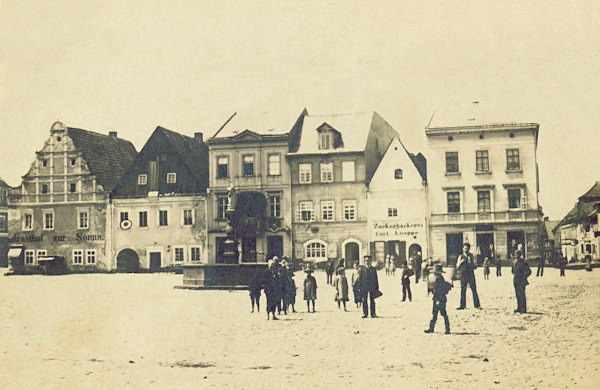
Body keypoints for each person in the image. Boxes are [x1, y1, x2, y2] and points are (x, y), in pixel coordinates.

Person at [424, 264, 452, 334]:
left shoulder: (439, 280)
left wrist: (438, 300)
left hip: (439, 299)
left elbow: (439, 291)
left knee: (442, 313)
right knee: (435, 314)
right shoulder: (439, 279)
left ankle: (446, 329)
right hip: (438, 298)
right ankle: (432, 328)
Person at [456, 243, 481, 310]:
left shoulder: (472, 256)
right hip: (463, 275)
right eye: (464, 248)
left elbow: (475, 266)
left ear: (469, 249)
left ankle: (477, 305)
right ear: (462, 249)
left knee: (474, 289)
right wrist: (461, 261)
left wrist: (471, 263)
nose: (465, 250)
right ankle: (462, 306)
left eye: (467, 248)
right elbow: (457, 266)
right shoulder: (460, 256)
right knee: (463, 290)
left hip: (470, 274)